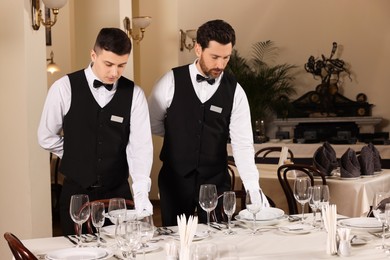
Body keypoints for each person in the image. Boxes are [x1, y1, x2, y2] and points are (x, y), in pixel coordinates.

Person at [148, 19, 269, 226]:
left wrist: (253, 188)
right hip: (175, 180)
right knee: (176, 240)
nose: (220, 65)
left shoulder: (235, 91)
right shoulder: (170, 81)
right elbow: (152, 123)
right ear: (198, 49)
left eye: (226, 58)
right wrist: (179, 136)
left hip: (215, 181)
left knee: (219, 239)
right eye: (214, 57)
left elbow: (242, 143)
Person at [38, 28, 153, 235]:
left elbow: (140, 148)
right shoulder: (63, 88)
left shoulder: (134, 94)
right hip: (76, 195)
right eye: (108, 64)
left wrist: (142, 194)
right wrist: (77, 152)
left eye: (121, 65)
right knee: (76, 253)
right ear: (93, 55)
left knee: (122, 252)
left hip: (118, 194)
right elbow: (46, 137)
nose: (114, 73)